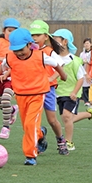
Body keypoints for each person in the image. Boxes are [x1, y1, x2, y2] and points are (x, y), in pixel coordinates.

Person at [0, 28, 67, 165]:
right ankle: (40, 134)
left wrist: (63, 75)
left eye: (21, 49)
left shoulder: (41, 56)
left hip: (37, 95)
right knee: (27, 127)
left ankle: (30, 156)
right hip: (20, 96)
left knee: (30, 124)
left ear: (29, 44)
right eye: (16, 50)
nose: (19, 53)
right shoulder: (11, 57)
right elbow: (2, 66)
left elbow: (56, 64)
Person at [52, 29, 92, 152]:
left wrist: (74, 92)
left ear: (65, 42)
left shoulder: (74, 60)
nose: (52, 41)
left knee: (66, 117)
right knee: (67, 118)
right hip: (59, 93)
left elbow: (80, 78)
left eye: (56, 39)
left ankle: (68, 142)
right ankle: (90, 114)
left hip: (72, 94)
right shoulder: (52, 58)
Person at [29, 20, 68, 154]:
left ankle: (60, 140)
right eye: (32, 35)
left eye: (38, 35)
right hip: (33, 90)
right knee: (33, 119)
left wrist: (51, 78)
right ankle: (39, 139)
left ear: (46, 36)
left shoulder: (48, 51)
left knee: (52, 120)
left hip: (48, 89)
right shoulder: (28, 51)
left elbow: (61, 65)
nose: (34, 38)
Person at [0, 18, 20, 139]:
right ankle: (12, 109)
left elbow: (17, 62)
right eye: (9, 30)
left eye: (14, 31)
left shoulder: (18, 44)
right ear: (4, 30)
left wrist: (8, 64)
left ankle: (5, 128)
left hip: (11, 76)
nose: (11, 33)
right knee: (2, 105)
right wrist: (4, 61)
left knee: (6, 99)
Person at [79, 38, 92, 107]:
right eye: (85, 43)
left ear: (91, 44)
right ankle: (86, 100)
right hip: (83, 71)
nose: (86, 45)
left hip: (90, 71)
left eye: (88, 43)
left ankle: (91, 99)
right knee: (84, 87)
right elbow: (80, 61)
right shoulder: (82, 54)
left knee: (90, 85)